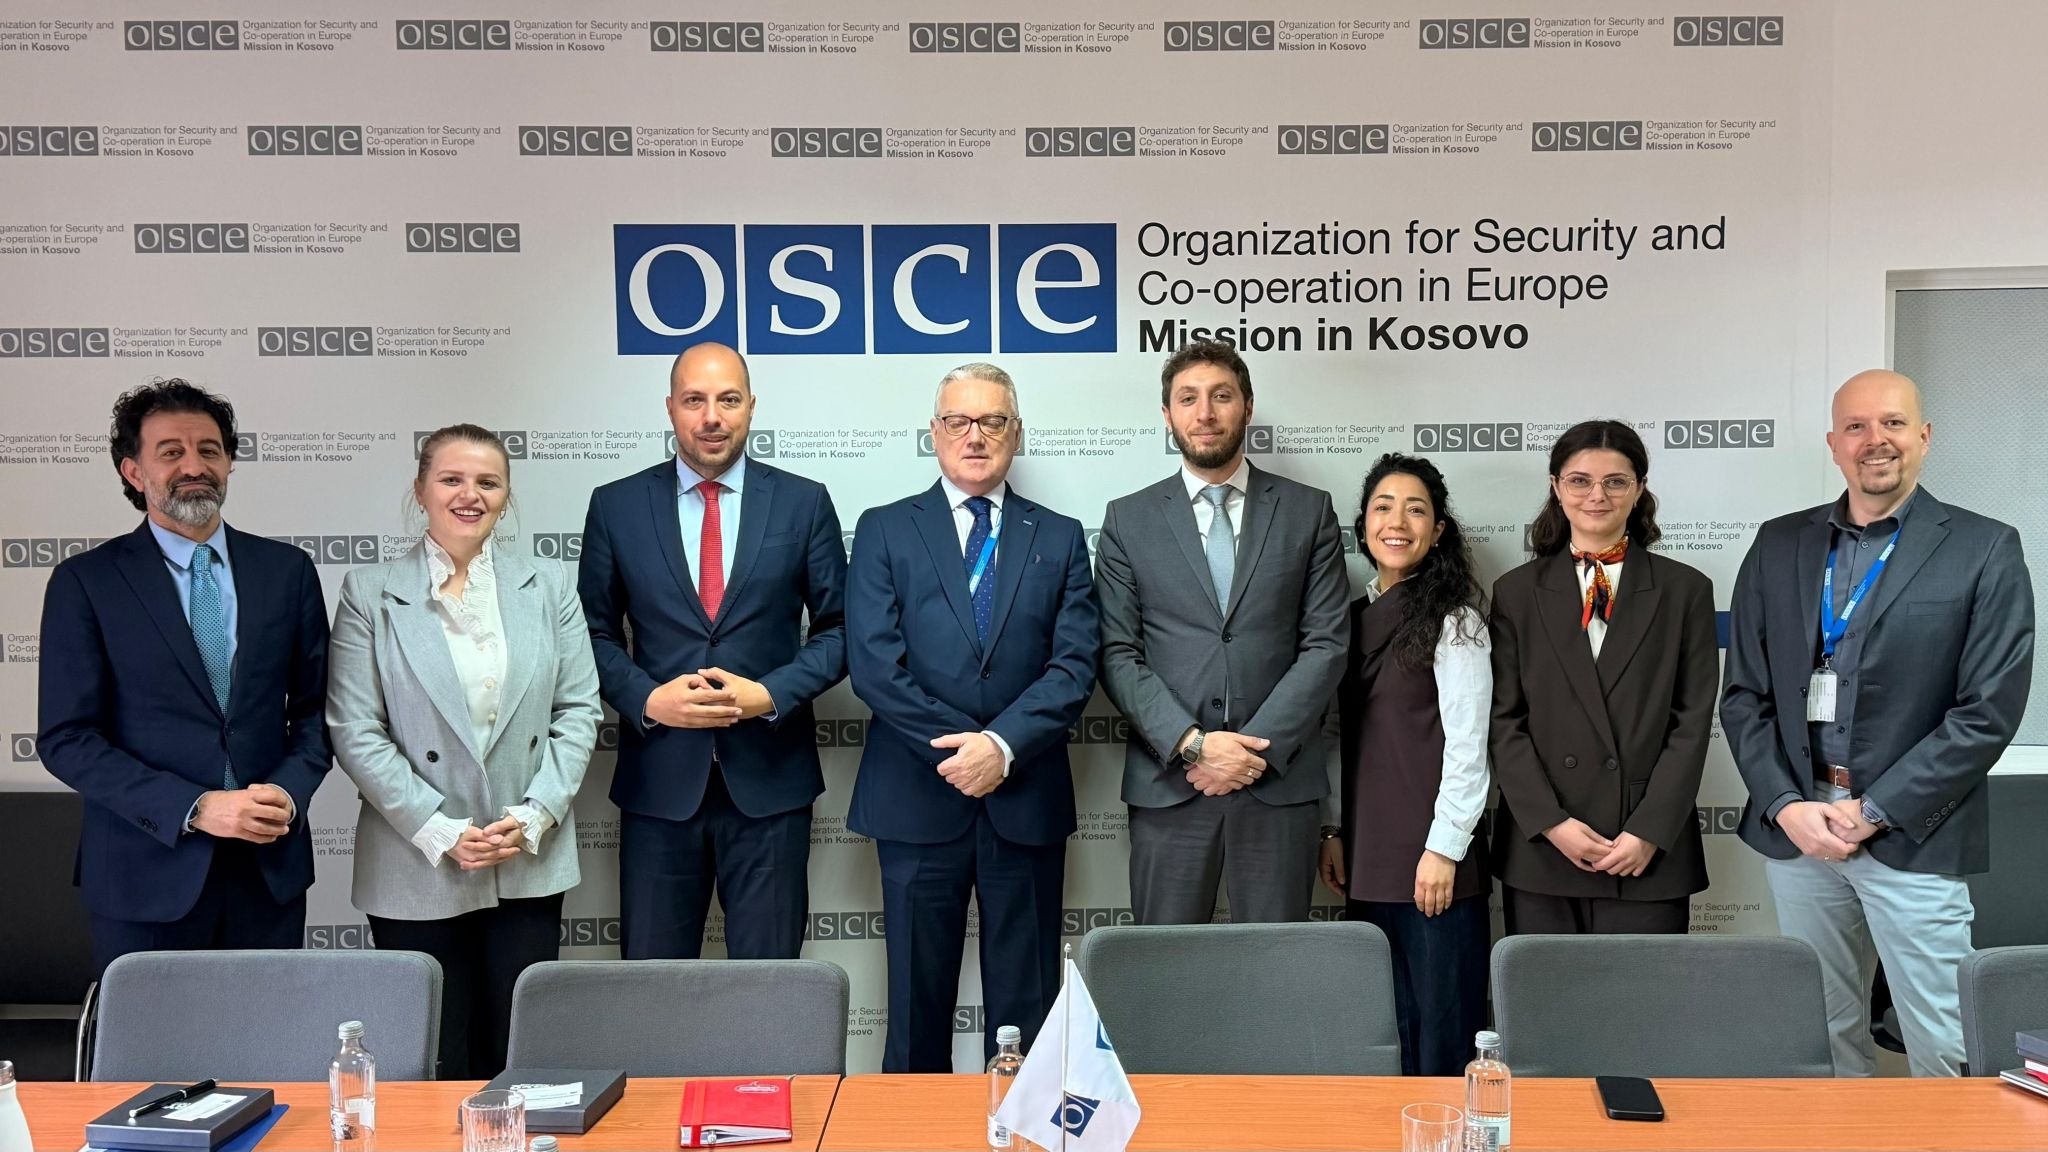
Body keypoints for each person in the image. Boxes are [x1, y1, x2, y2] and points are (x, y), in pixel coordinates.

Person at [1722, 369, 2033, 1077]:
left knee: (1945, 1044)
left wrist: (1874, 811)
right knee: (1822, 1040)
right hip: (1801, 831)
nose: (1875, 440)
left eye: (1892, 423)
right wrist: (1785, 805)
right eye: (1856, 426)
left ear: (1924, 436)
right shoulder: (1778, 543)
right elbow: (1743, 695)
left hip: (1912, 832)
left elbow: (1987, 712)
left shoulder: (1985, 547)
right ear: (1834, 443)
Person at [326, 424, 600, 1079]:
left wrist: (535, 814)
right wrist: (437, 827)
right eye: (451, 479)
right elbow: (355, 727)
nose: (469, 495)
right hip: (415, 860)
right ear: (421, 489)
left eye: (487, 482)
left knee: (519, 1058)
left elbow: (578, 709)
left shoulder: (549, 584)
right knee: (435, 1056)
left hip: (523, 855)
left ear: (506, 496)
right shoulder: (370, 591)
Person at [846, 362, 1098, 1073]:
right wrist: (962, 753)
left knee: (1029, 1013)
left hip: (1024, 798)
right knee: (915, 1012)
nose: (975, 436)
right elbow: (875, 667)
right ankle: (912, 1130)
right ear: (934, 432)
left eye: (992, 421)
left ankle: (1023, 1126)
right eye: (958, 421)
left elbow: (1074, 666)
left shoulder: (1060, 536)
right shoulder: (884, 529)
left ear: (1017, 433)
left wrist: (1003, 747)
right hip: (917, 798)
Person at [38, 379, 332, 974]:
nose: (194, 466)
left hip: (267, 871)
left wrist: (285, 793)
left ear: (228, 463)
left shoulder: (287, 571)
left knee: (266, 1032)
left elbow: (316, 713)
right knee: (154, 1040)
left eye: (209, 450)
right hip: (144, 873)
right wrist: (194, 808)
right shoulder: (86, 582)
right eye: (170, 452)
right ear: (133, 471)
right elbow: (67, 738)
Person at [580, 343, 847, 960]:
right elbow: (589, 634)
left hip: (771, 787)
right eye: (694, 400)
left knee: (770, 987)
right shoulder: (616, 506)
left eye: (728, 400)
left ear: (751, 406)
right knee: (654, 986)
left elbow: (840, 630)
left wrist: (769, 694)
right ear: (670, 408)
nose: (711, 417)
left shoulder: (803, 502)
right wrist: (648, 699)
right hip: (659, 785)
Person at [1096, 341, 1349, 925]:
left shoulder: (1309, 511)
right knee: (1164, 965)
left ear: (1247, 406)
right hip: (1171, 782)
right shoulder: (1127, 519)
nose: (1205, 413)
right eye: (1188, 399)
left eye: (1221, 396)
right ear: (1167, 415)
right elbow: (1117, 652)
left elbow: (1326, 645)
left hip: (1277, 784)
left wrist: (1252, 752)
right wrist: (1194, 744)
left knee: (1275, 966)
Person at [1489, 419, 1717, 934]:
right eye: (1580, 480)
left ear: (1639, 489)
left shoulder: (1685, 591)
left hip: (1644, 849)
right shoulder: (1515, 593)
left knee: (1642, 990)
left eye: (1615, 481)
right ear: (1556, 486)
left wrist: (1649, 830)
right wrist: (1551, 823)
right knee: (1542, 988)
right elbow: (1504, 722)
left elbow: (1692, 723)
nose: (1597, 495)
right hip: (1545, 849)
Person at [1319, 453, 1491, 1077]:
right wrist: (1333, 830)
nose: (1397, 522)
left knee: (1441, 1030)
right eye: (1383, 507)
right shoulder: (1346, 620)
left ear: (1438, 529)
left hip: (1434, 863)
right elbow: (1337, 739)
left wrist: (1444, 850)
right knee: (1383, 1030)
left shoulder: (1456, 620)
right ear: (1363, 523)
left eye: (1416, 510)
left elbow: (1470, 745)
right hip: (1368, 858)